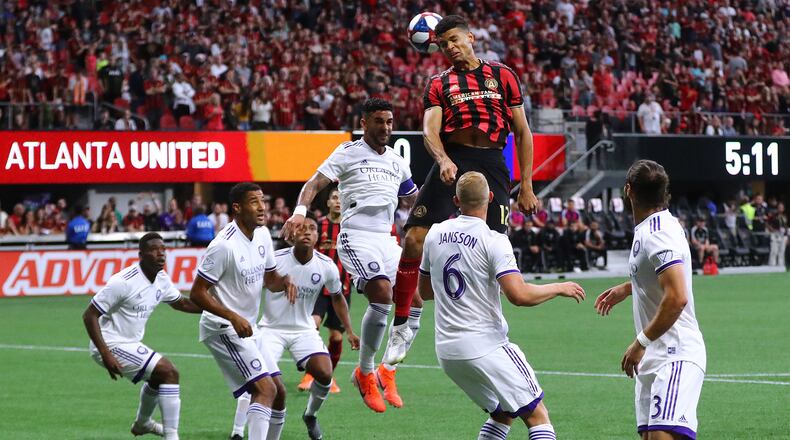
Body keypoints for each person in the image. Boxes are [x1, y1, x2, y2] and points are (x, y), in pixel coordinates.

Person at [392, 14, 540, 390]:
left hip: (493, 164)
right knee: (413, 238)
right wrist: (442, 159)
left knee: (492, 248)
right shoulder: (440, 83)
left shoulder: (503, 75)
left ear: (471, 37)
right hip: (454, 159)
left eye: (455, 40)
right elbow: (430, 128)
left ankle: (489, 327)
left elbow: (522, 131)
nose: (451, 48)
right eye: (443, 45)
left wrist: (527, 185)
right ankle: (406, 322)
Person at [418, 171, 585, 440]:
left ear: (456, 200)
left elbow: (425, 291)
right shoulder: (494, 240)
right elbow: (519, 295)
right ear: (491, 198)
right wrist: (559, 287)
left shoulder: (435, 233)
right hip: (485, 344)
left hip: (448, 352)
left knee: (502, 413)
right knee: (537, 415)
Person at [281, 98, 418, 413]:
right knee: (382, 294)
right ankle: (365, 372)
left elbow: (413, 199)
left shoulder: (397, 161)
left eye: (389, 122)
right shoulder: (347, 153)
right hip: (356, 236)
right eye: (379, 121)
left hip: (386, 239)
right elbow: (314, 183)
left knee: (416, 299)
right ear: (364, 123)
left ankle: (388, 370)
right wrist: (300, 211)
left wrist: (448, 199)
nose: (385, 127)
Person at [595, 160, 706, 440]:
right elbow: (660, 276)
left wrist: (640, 343)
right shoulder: (655, 226)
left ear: (628, 190)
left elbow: (677, 296)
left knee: (660, 436)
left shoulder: (657, 233)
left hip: (675, 352)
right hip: (655, 355)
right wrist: (629, 286)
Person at [230, 213, 360, 440]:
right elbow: (249, 283)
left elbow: (338, 297)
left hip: (304, 330)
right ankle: (238, 431)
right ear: (292, 234)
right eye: (301, 228)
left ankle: (310, 415)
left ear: (318, 236)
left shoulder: (326, 265)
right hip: (271, 330)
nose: (307, 231)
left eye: (311, 228)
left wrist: (349, 330)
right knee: (258, 378)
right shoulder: (275, 260)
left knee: (325, 374)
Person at [189, 182, 296, 440]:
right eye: (254, 202)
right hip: (222, 328)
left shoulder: (262, 235)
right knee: (265, 390)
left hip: (248, 327)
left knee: (279, 393)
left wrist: (285, 281)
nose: (262, 207)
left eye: (263, 201)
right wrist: (232, 316)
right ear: (237, 208)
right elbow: (197, 292)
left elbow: (270, 280)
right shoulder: (223, 246)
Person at [82, 233, 202, 440]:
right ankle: (171, 436)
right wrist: (106, 353)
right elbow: (89, 315)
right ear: (141, 255)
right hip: (110, 343)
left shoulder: (161, 280)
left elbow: (182, 303)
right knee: (169, 372)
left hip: (129, 342)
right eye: (154, 250)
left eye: (163, 249)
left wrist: (217, 306)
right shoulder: (123, 282)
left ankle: (143, 423)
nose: (161, 254)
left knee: (158, 377)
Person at [299, 188, 352, 394]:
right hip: (318, 288)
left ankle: (328, 376)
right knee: (313, 326)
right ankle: (310, 373)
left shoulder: (351, 227)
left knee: (336, 338)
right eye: (334, 198)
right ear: (328, 203)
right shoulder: (317, 226)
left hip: (342, 289)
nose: (338, 201)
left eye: (341, 197)